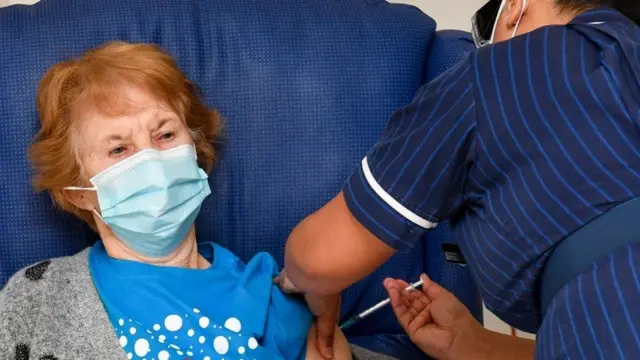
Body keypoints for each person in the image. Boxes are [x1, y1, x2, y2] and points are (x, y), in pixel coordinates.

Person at [277, 0, 640, 358]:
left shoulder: (497, 72)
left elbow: (316, 259)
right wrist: (473, 345)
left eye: (486, 26)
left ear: (515, 6)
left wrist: (316, 287)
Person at [0, 41, 390, 360]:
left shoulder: (276, 296)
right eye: (119, 149)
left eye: (166, 136)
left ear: (196, 148)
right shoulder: (38, 295)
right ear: (78, 193)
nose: (150, 160)